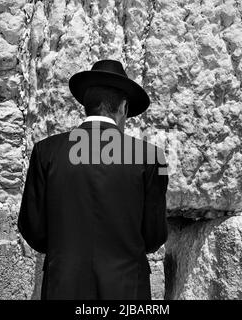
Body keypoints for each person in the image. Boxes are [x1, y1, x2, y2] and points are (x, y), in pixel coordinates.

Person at [18, 59, 169, 299]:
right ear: (123, 108)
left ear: (86, 106)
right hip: (126, 290)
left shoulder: (44, 152)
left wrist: (66, 250)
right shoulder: (154, 158)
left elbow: (32, 228)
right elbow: (155, 235)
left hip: (63, 286)